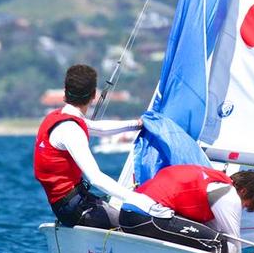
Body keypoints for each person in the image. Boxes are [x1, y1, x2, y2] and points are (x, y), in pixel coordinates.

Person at [34, 64, 160, 228]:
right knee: (140, 222)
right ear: (94, 95)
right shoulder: (71, 129)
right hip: (73, 209)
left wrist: (138, 124)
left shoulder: (57, 117)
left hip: (68, 204)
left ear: (65, 91)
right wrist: (141, 201)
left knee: (123, 210)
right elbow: (96, 179)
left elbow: (98, 128)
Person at [119, 164, 254, 253]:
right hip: (147, 216)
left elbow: (206, 229)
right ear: (243, 191)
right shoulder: (229, 193)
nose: (241, 208)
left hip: (127, 214)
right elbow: (234, 241)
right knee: (220, 243)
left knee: (205, 238)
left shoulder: (211, 182)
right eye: (245, 205)